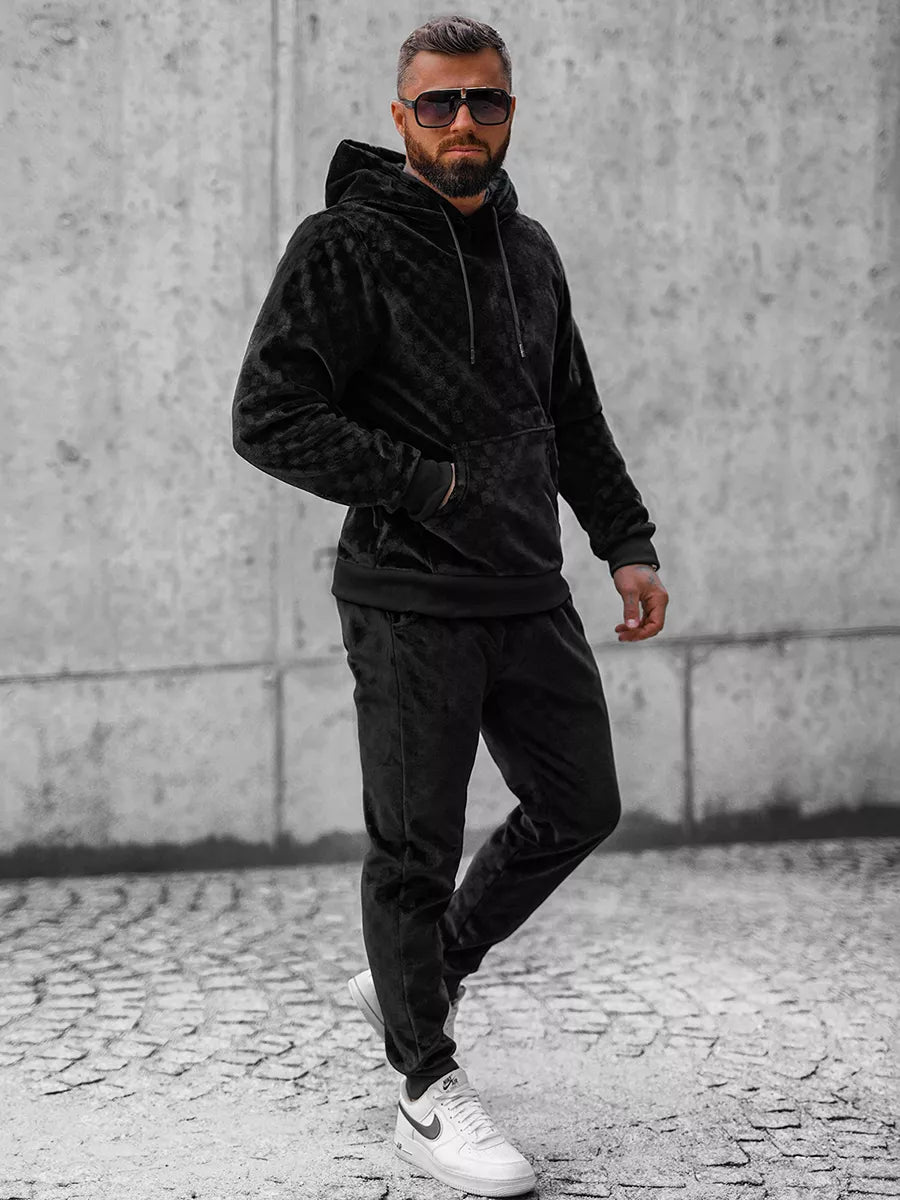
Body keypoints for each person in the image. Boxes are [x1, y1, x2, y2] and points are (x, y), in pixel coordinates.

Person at [232, 14, 669, 1197]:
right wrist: (425, 483)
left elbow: (572, 413)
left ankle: (422, 973)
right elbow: (269, 416)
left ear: (509, 112)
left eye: (484, 100)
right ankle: (426, 1090)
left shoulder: (530, 250)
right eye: (439, 102)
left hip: (527, 585)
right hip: (408, 596)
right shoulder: (343, 246)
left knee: (581, 803)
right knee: (413, 850)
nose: (463, 120)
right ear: (403, 117)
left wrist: (624, 542)